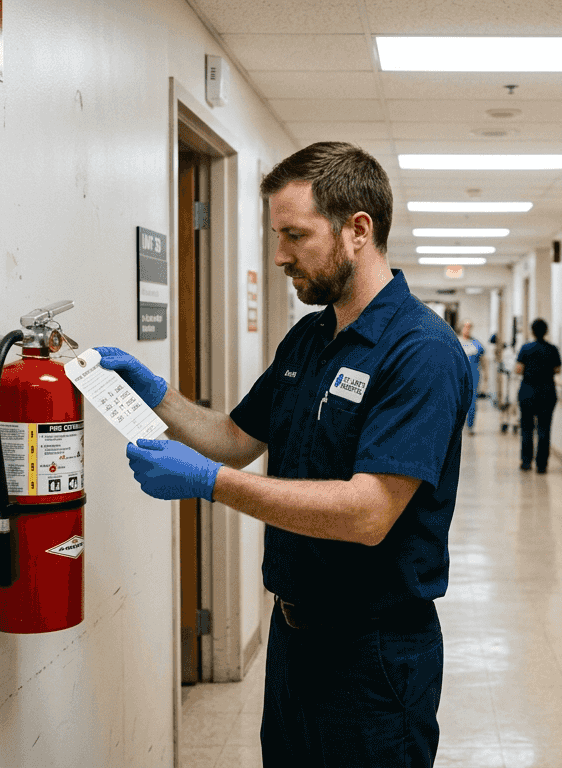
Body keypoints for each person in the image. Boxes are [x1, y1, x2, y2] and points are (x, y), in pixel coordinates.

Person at [93, 141, 472, 768]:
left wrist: (211, 485)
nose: (278, 256)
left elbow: (368, 512)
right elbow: (236, 439)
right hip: (294, 640)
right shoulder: (310, 338)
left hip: (374, 654)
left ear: (358, 230)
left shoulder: (420, 352)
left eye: (295, 235)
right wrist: (156, 395)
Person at [515, 318, 561, 474]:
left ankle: (526, 462)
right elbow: (557, 369)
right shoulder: (552, 349)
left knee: (527, 428)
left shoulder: (526, 348)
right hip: (547, 392)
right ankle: (542, 465)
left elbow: (518, 369)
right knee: (544, 429)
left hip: (528, 391)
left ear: (532, 331)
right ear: (546, 331)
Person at [458, 321, 485, 433]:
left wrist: (486, 376)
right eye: (465, 326)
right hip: (459, 375)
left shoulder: (476, 343)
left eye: (469, 327)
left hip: (473, 375)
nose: (467, 329)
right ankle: (457, 425)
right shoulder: (456, 341)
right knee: (458, 400)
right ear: (461, 327)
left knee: (472, 401)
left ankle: (470, 426)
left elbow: (483, 360)